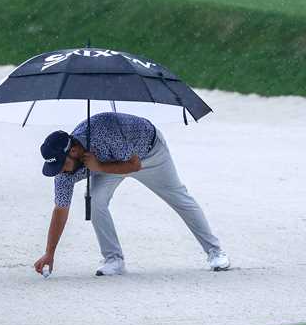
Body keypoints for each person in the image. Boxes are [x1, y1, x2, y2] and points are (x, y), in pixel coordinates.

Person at [33, 111, 230, 277]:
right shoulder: (63, 172)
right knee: (96, 201)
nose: (61, 172)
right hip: (110, 164)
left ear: (74, 151)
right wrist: (49, 253)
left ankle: (215, 251)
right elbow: (60, 209)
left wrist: (98, 166)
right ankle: (114, 260)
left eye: (62, 165)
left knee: (179, 197)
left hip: (149, 152)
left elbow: (134, 165)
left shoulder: (105, 131)